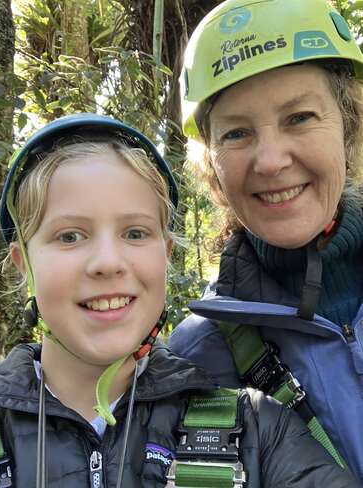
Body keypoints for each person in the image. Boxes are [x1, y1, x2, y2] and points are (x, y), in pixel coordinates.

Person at [0, 113, 359, 488]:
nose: (107, 263)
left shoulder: (256, 430)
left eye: (135, 233)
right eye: (70, 236)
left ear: (165, 254)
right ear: (24, 263)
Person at [169, 0, 363, 483]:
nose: (271, 160)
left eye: (298, 117)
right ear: (212, 165)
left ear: (349, 126)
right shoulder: (196, 358)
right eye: (237, 133)